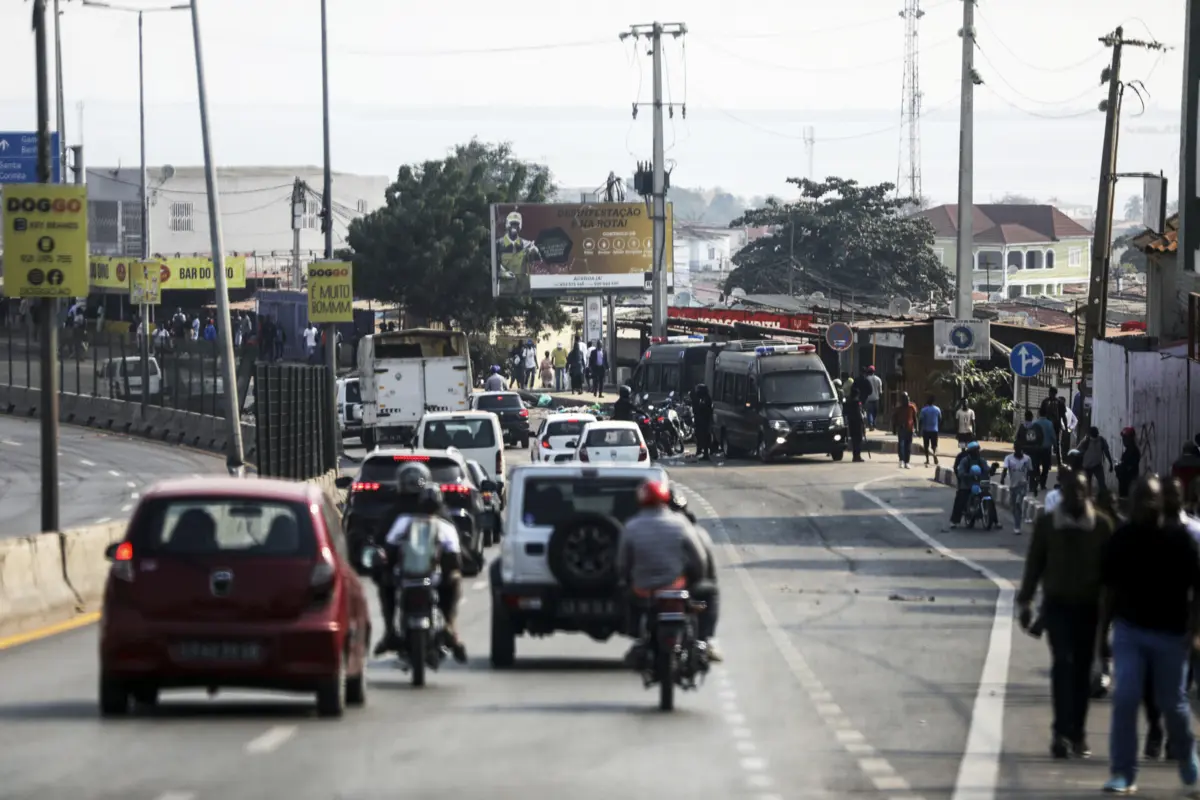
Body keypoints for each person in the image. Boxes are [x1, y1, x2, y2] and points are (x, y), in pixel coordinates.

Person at [1100, 475, 1200, 794]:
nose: (1146, 505)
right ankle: (1123, 772)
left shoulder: (1180, 540)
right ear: (1131, 502)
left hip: (1171, 636)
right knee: (1126, 697)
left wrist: (1196, 632)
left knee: (1173, 705)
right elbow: (1109, 590)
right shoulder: (1123, 538)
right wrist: (1101, 636)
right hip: (1130, 631)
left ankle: (1185, 753)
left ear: (1162, 503)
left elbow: (1198, 591)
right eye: (1140, 498)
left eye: (1152, 499)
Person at [1017, 471, 1113, 760]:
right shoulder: (1048, 525)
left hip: (1090, 609)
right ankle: (1060, 733)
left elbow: (1112, 575)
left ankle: (1078, 732)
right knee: (1062, 665)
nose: (1077, 496)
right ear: (1063, 493)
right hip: (1057, 607)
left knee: (1083, 674)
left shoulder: (1102, 527)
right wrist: (1025, 602)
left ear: (1090, 494)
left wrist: (1112, 616)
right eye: (1072, 491)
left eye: (1083, 491)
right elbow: (1034, 564)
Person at [617, 479, 719, 666]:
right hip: (676, 586)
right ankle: (705, 640)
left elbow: (623, 564)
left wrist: (626, 580)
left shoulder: (632, 527)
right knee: (709, 592)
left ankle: (636, 634)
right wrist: (698, 578)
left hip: (643, 590)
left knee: (625, 595)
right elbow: (700, 559)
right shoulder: (681, 525)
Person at [371, 463, 457, 656]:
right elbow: (384, 544)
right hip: (405, 572)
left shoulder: (429, 516)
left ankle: (448, 627)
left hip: (431, 572)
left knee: (452, 579)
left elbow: (453, 546)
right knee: (385, 582)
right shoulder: (398, 516)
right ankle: (391, 630)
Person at [381, 482, 468, 665]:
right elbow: (455, 560)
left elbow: (389, 550)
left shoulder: (403, 521)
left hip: (406, 578)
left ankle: (390, 630)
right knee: (454, 579)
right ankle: (450, 627)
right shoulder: (445, 527)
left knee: (385, 583)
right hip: (430, 578)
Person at [950, 441, 988, 528]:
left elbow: (986, 469)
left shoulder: (981, 460)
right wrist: (965, 475)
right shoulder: (965, 460)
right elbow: (960, 471)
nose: (978, 452)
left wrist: (992, 470)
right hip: (967, 483)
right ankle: (954, 521)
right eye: (976, 450)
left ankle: (995, 520)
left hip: (979, 483)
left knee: (988, 495)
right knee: (960, 499)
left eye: (978, 450)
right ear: (971, 451)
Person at [1002, 445, 1034, 534]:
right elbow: (1005, 469)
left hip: (1023, 485)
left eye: (1021, 450)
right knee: (1013, 506)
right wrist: (1002, 479)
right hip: (1013, 486)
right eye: (1018, 450)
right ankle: (1019, 517)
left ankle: (1017, 526)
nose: (1020, 452)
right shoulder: (1008, 458)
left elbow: (1031, 472)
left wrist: (1033, 485)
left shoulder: (1027, 459)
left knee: (1017, 504)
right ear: (1015, 449)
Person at [1080, 427, 1115, 499]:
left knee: (1101, 484)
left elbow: (1106, 452)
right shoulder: (1086, 441)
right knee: (1089, 485)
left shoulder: (1101, 440)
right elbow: (1080, 453)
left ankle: (1104, 500)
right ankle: (1089, 500)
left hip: (1097, 465)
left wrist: (1111, 463)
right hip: (1087, 466)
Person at [1040, 387, 1069, 465]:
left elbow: (1041, 415)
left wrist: (1066, 427)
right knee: (1055, 444)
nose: (1051, 394)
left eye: (1052, 393)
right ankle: (1057, 463)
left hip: (1049, 427)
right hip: (1055, 426)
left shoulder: (1046, 401)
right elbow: (1063, 416)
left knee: (1050, 444)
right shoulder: (1059, 402)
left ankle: (1050, 463)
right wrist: (1065, 428)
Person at [891, 391, 919, 470]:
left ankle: (907, 462)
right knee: (901, 445)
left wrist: (917, 428)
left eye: (907, 398)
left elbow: (915, 418)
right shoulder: (898, 408)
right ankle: (901, 460)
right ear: (901, 400)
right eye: (904, 399)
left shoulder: (912, 407)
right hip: (901, 429)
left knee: (908, 446)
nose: (906, 400)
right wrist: (894, 429)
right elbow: (894, 419)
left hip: (910, 429)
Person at [1115, 427, 1141, 504]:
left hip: (1128, 484)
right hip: (1124, 484)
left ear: (1130, 438)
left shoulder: (1133, 451)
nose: (1123, 440)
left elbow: (1129, 467)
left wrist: (1119, 467)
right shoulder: (1129, 450)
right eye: (1123, 438)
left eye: (1125, 438)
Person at [918, 395, 942, 467]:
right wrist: (938, 426)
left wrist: (919, 430)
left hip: (926, 430)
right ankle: (934, 454)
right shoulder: (937, 409)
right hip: (935, 430)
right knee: (934, 445)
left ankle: (927, 459)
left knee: (926, 445)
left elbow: (920, 420)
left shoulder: (924, 410)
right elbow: (940, 419)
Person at [844, 384, 866, 462]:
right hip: (857, 423)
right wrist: (863, 419)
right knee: (858, 440)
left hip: (851, 422)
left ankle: (855, 456)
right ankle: (857, 456)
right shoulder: (857, 403)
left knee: (854, 440)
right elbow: (859, 413)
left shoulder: (848, 402)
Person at [692, 383, 714, 461]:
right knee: (700, 437)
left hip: (705, 422)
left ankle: (706, 454)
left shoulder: (706, 399)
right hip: (701, 421)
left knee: (705, 437)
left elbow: (705, 410)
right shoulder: (702, 398)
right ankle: (701, 451)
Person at [863, 366, 883, 430]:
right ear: (874, 371)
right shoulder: (878, 379)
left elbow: (865, 389)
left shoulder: (866, 379)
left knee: (869, 412)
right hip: (876, 398)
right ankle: (874, 423)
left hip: (868, 399)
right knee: (875, 412)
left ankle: (871, 424)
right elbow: (880, 391)